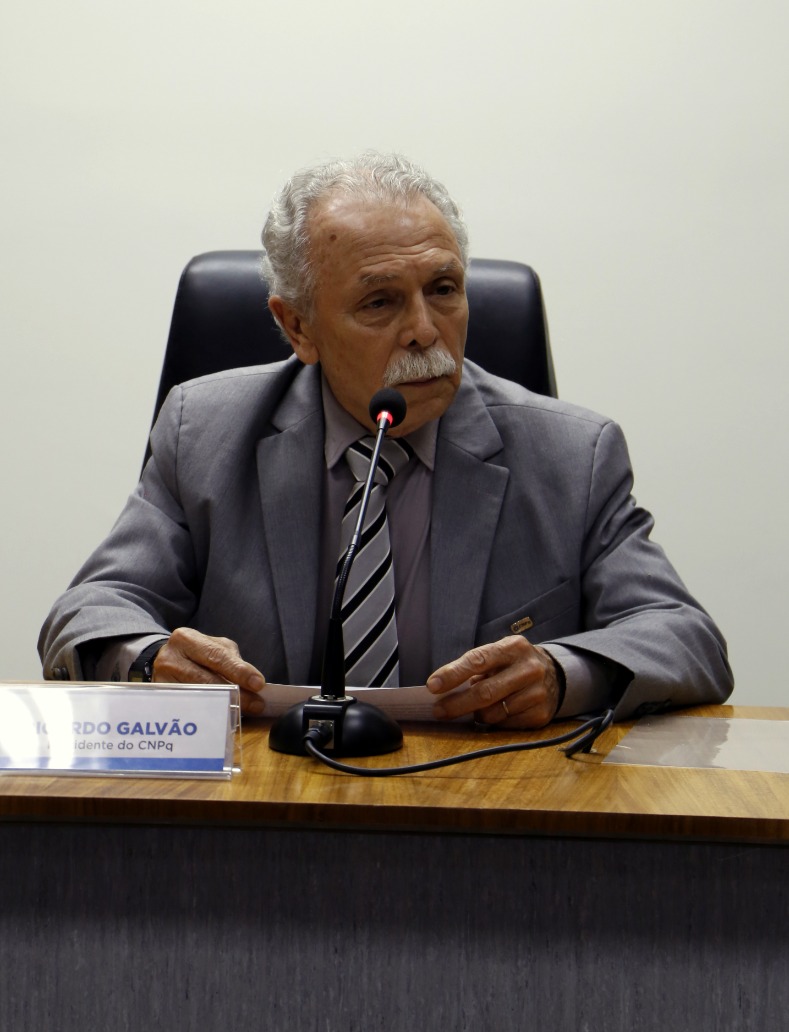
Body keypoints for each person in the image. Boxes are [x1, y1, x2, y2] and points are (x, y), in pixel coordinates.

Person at [38, 152, 733, 726]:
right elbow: (88, 611)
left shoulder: (572, 456)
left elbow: (683, 637)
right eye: (380, 302)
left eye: (443, 289)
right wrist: (149, 659)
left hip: (481, 802)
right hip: (263, 801)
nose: (425, 331)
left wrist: (562, 672)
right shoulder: (204, 431)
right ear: (298, 327)